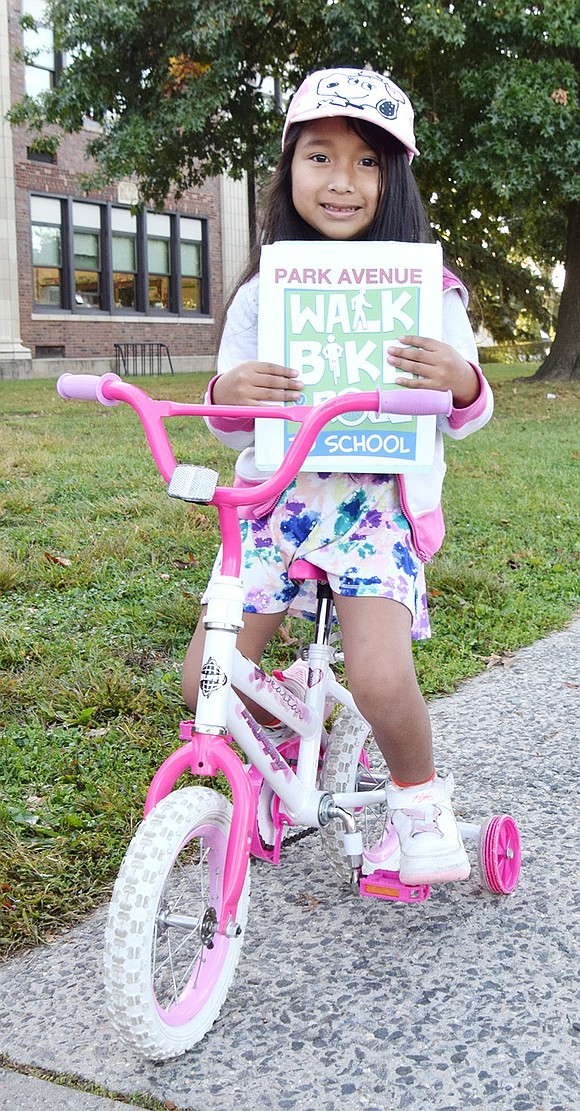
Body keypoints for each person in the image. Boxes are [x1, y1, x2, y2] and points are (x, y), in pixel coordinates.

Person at [182, 67, 494, 886]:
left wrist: (457, 377)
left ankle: (419, 802)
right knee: (206, 676)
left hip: (374, 508)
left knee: (382, 676)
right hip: (276, 501)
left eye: (367, 163)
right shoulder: (261, 292)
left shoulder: (433, 289)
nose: (343, 181)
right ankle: (290, 734)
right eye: (319, 157)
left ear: (395, 180)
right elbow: (225, 414)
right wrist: (229, 392)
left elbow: (470, 406)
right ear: (288, 170)